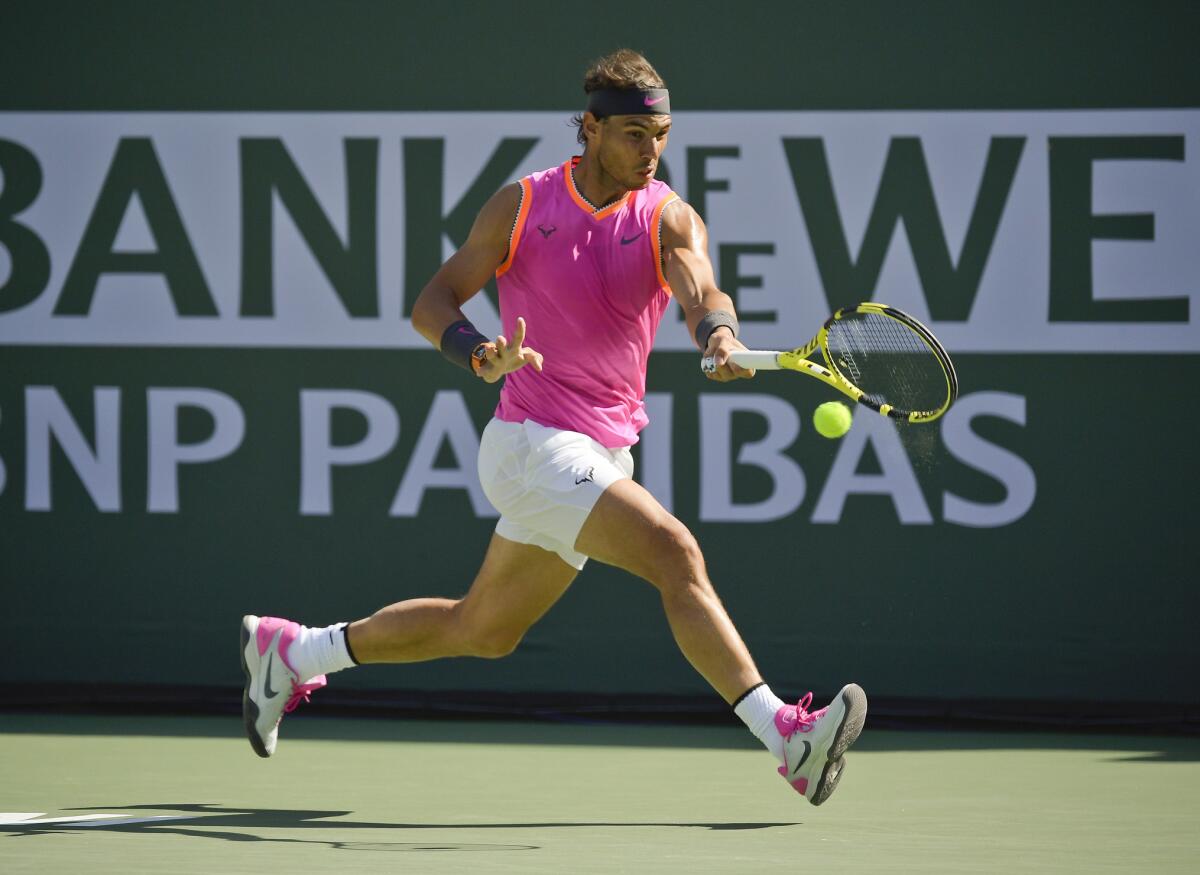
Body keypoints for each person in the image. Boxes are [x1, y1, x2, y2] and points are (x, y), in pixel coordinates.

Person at [240, 48, 866, 805]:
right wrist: (479, 355)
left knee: (484, 627)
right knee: (674, 551)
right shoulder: (522, 206)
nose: (651, 150)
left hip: (602, 452)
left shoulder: (667, 214)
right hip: (531, 443)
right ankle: (788, 737)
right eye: (635, 134)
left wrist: (719, 336)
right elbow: (433, 300)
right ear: (592, 129)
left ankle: (293, 651)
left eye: (661, 134)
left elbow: (700, 288)